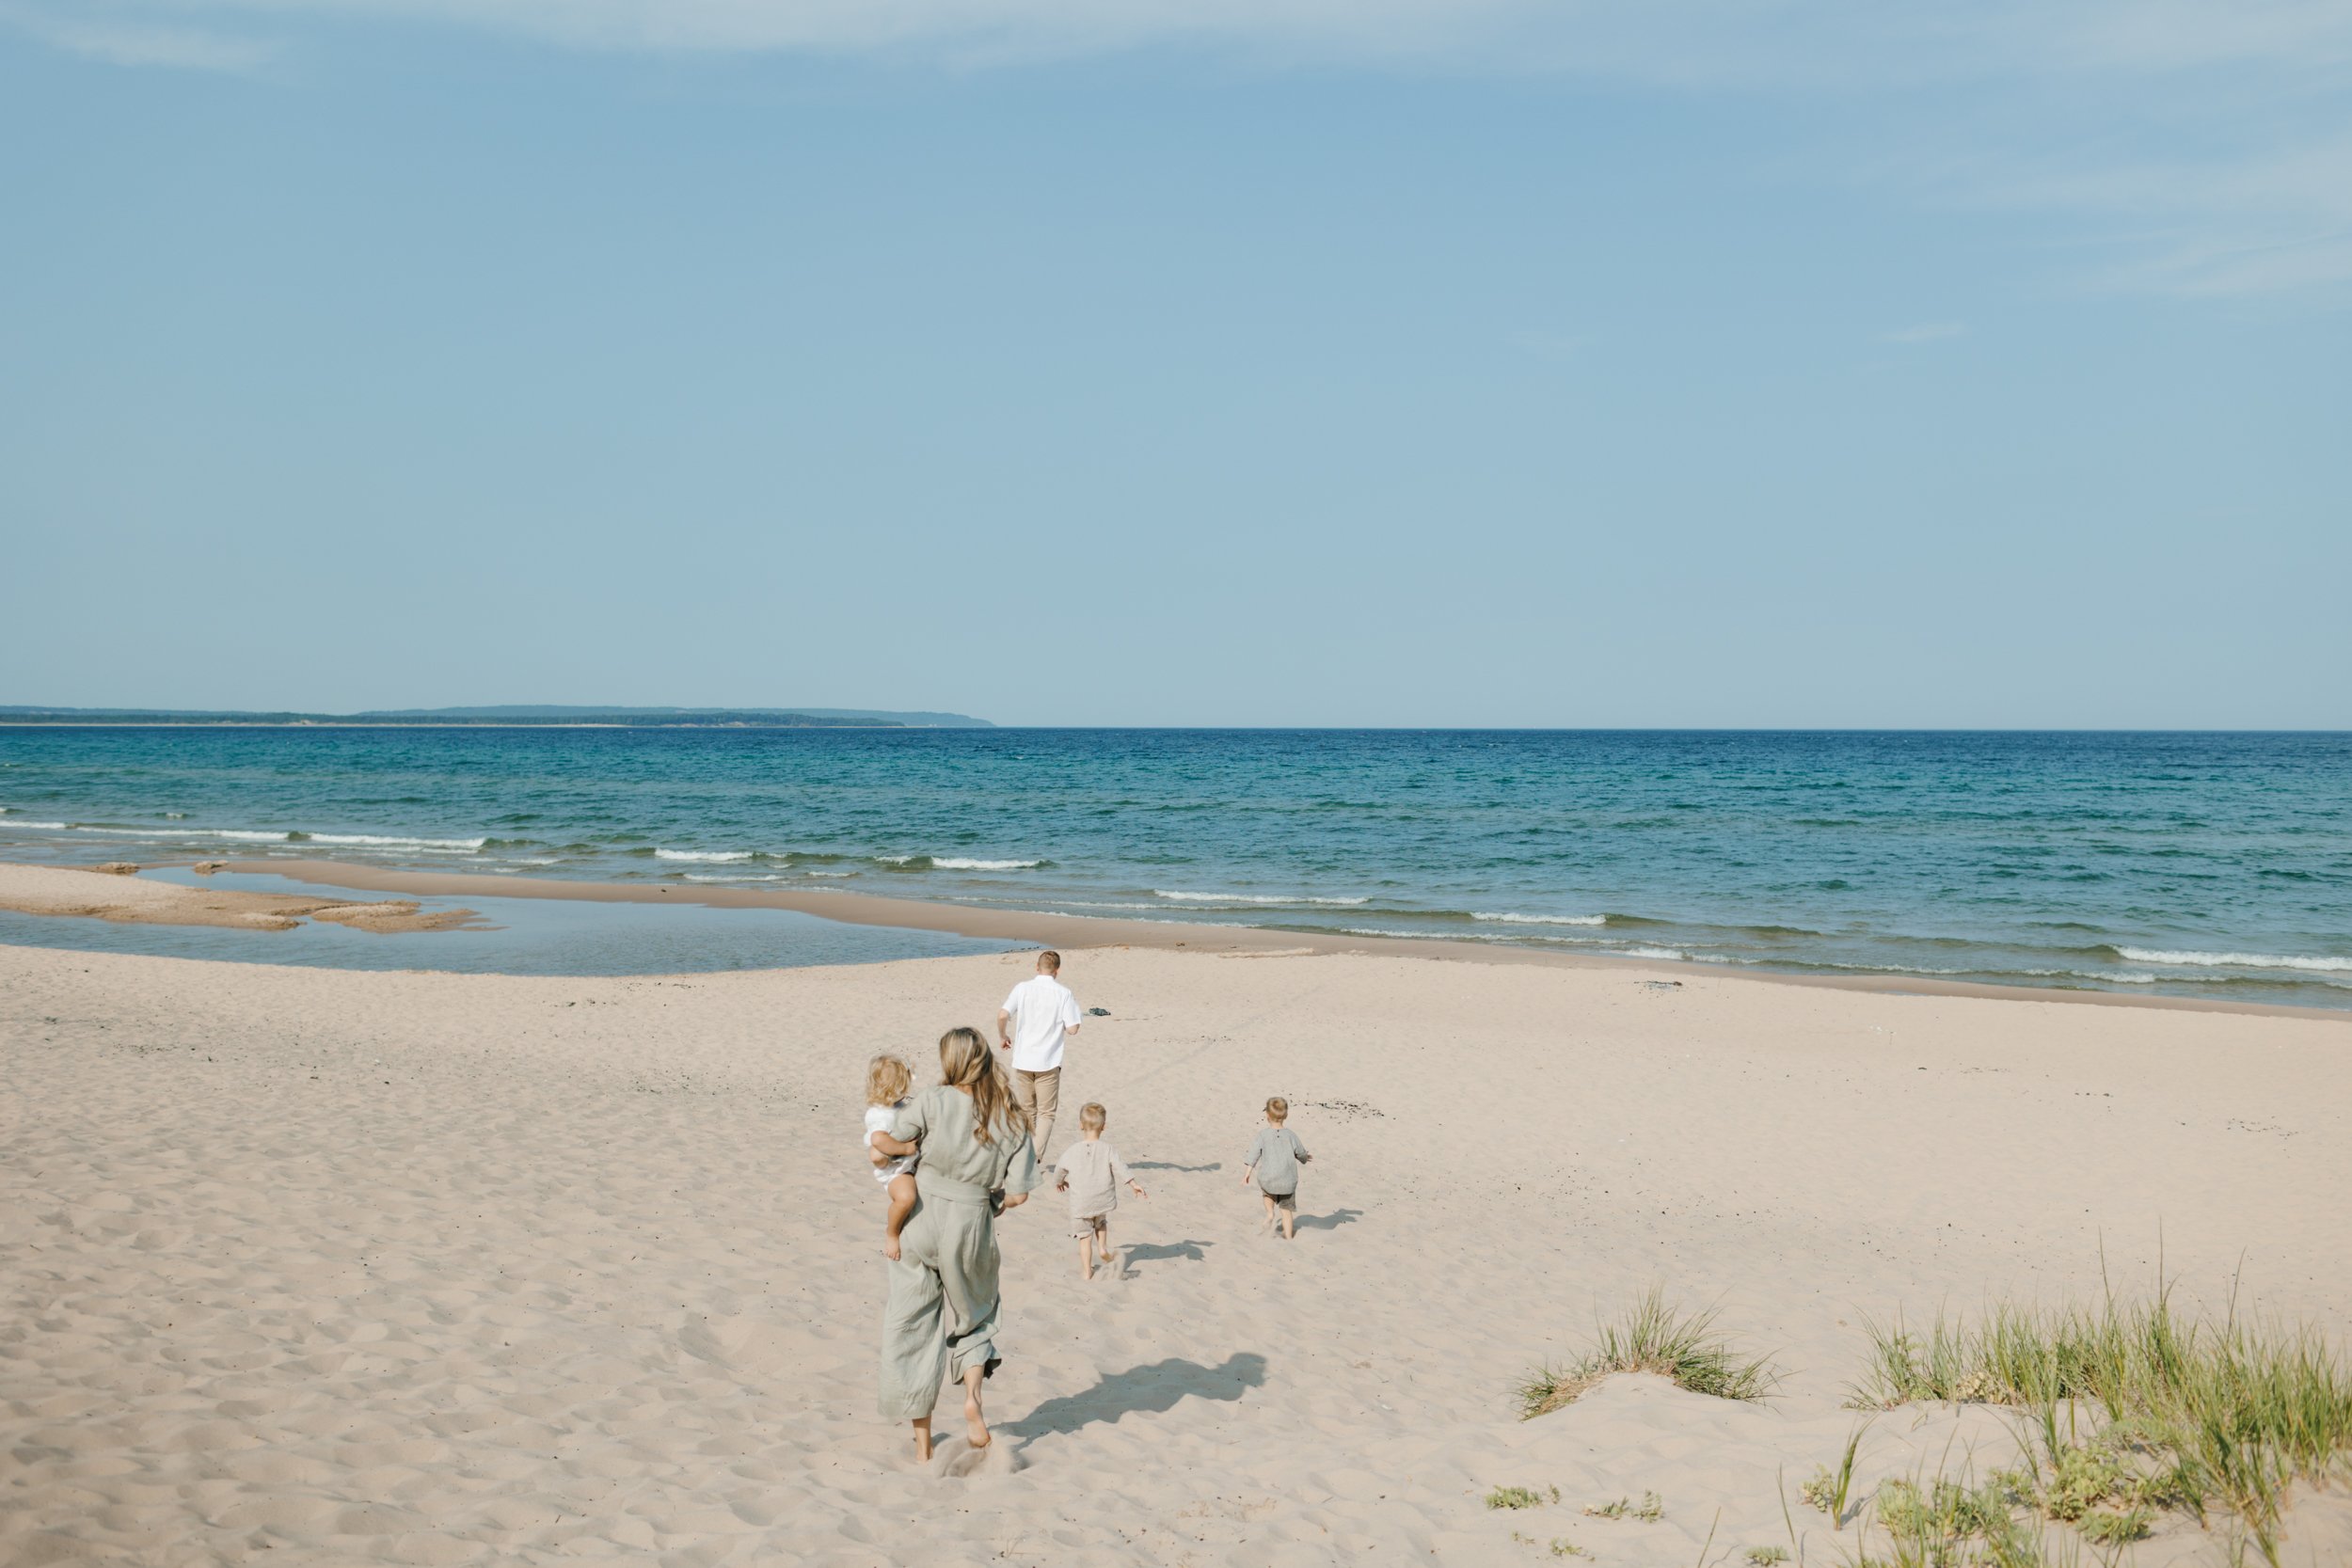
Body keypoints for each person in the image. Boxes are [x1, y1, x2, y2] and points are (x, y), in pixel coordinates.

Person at [866, 1027, 1038, 1462]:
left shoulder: (930, 1100)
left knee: (912, 1327)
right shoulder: (1014, 1119)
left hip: (920, 1217)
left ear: (951, 1062)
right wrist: (991, 1201)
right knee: (977, 1318)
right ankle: (972, 1400)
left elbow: (890, 1149)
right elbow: (1018, 1193)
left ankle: (923, 1448)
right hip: (971, 1222)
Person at [997, 949, 1083, 1158]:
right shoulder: (1063, 993)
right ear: (1057, 971)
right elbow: (1073, 1029)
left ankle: (1024, 1154)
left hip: (1024, 1060)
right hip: (1048, 1061)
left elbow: (1002, 1014)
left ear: (1037, 967)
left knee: (1028, 1111)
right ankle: (1034, 1156)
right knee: (1046, 1113)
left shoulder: (1022, 988)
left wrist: (1003, 1035)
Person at [1053, 1102, 1147, 1281]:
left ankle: (1087, 1271)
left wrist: (1059, 1182)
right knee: (1101, 1223)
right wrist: (1133, 1183)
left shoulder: (1072, 1151)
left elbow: (1059, 1170)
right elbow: (1121, 1167)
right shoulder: (1108, 1149)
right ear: (1103, 1127)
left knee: (1084, 1237)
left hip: (1081, 1203)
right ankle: (1103, 1249)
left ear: (1080, 1125)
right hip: (1102, 1200)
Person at [863, 1054, 920, 1260]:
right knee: (906, 1198)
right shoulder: (880, 1115)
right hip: (895, 1171)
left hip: (908, 1164)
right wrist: (905, 1149)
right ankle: (892, 1233)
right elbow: (878, 1141)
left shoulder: (897, 1107)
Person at [1241, 1096, 1311, 1242]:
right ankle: (1288, 1237)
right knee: (1286, 1212)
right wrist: (1305, 1158)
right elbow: (1301, 1153)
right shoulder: (1291, 1135)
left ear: (1267, 1115)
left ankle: (1270, 1213)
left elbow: (1253, 1156)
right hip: (1287, 1182)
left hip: (1269, 1180)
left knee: (1268, 1195)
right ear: (1285, 1115)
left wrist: (1247, 1174)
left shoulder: (1262, 1135)